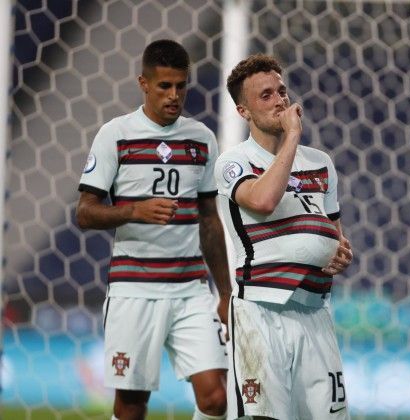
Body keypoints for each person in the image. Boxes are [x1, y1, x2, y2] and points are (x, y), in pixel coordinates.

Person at [76, 39, 230, 420]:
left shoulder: (201, 139)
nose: (174, 95)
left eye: (181, 85)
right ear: (143, 83)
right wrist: (134, 210)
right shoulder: (116, 135)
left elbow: (209, 218)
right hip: (134, 290)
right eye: (164, 86)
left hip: (190, 289)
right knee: (131, 407)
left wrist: (225, 291)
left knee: (216, 400)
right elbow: (85, 212)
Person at [215, 54, 354, 419]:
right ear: (243, 111)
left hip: (315, 313)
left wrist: (340, 252)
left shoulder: (321, 162)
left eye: (281, 90)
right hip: (260, 311)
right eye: (266, 96)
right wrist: (292, 136)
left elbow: (334, 235)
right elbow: (262, 200)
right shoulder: (234, 162)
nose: (279, 100)